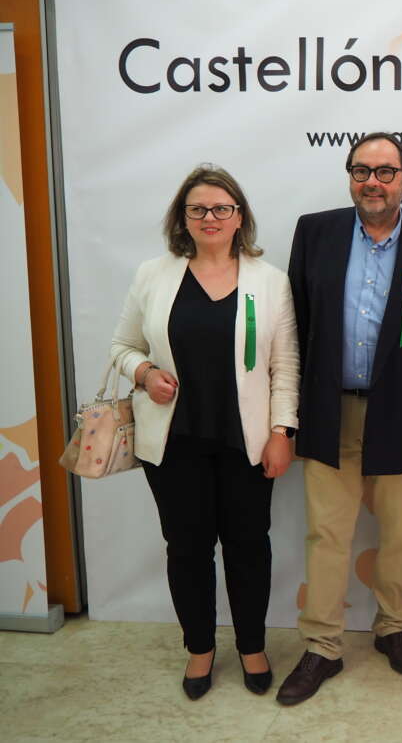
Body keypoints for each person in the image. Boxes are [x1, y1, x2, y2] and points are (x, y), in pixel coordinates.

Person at [278, 132, 402, 706]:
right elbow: (295, 325)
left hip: (400, 414)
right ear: (349, 176)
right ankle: (322, 646)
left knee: (399, 531)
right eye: (361, 171)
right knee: (327, 533)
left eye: (385, 172)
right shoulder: (315, 232)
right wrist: (288, 413)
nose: (372, 182)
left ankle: (392, 628)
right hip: (328, 409)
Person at [110, 164, 299, 700]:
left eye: (221, 208)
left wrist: (283, 430)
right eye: (197, 209)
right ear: (183, 218)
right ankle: (199, 648)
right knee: (187, 549)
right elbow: (122, 347)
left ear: (239, 217)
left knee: (249, 548)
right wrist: (145, 373)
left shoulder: (271, 280)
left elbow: (285, 365)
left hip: (247, 443)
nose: (209, 217)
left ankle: (252, 646)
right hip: (175, 443)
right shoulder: (153, 275)